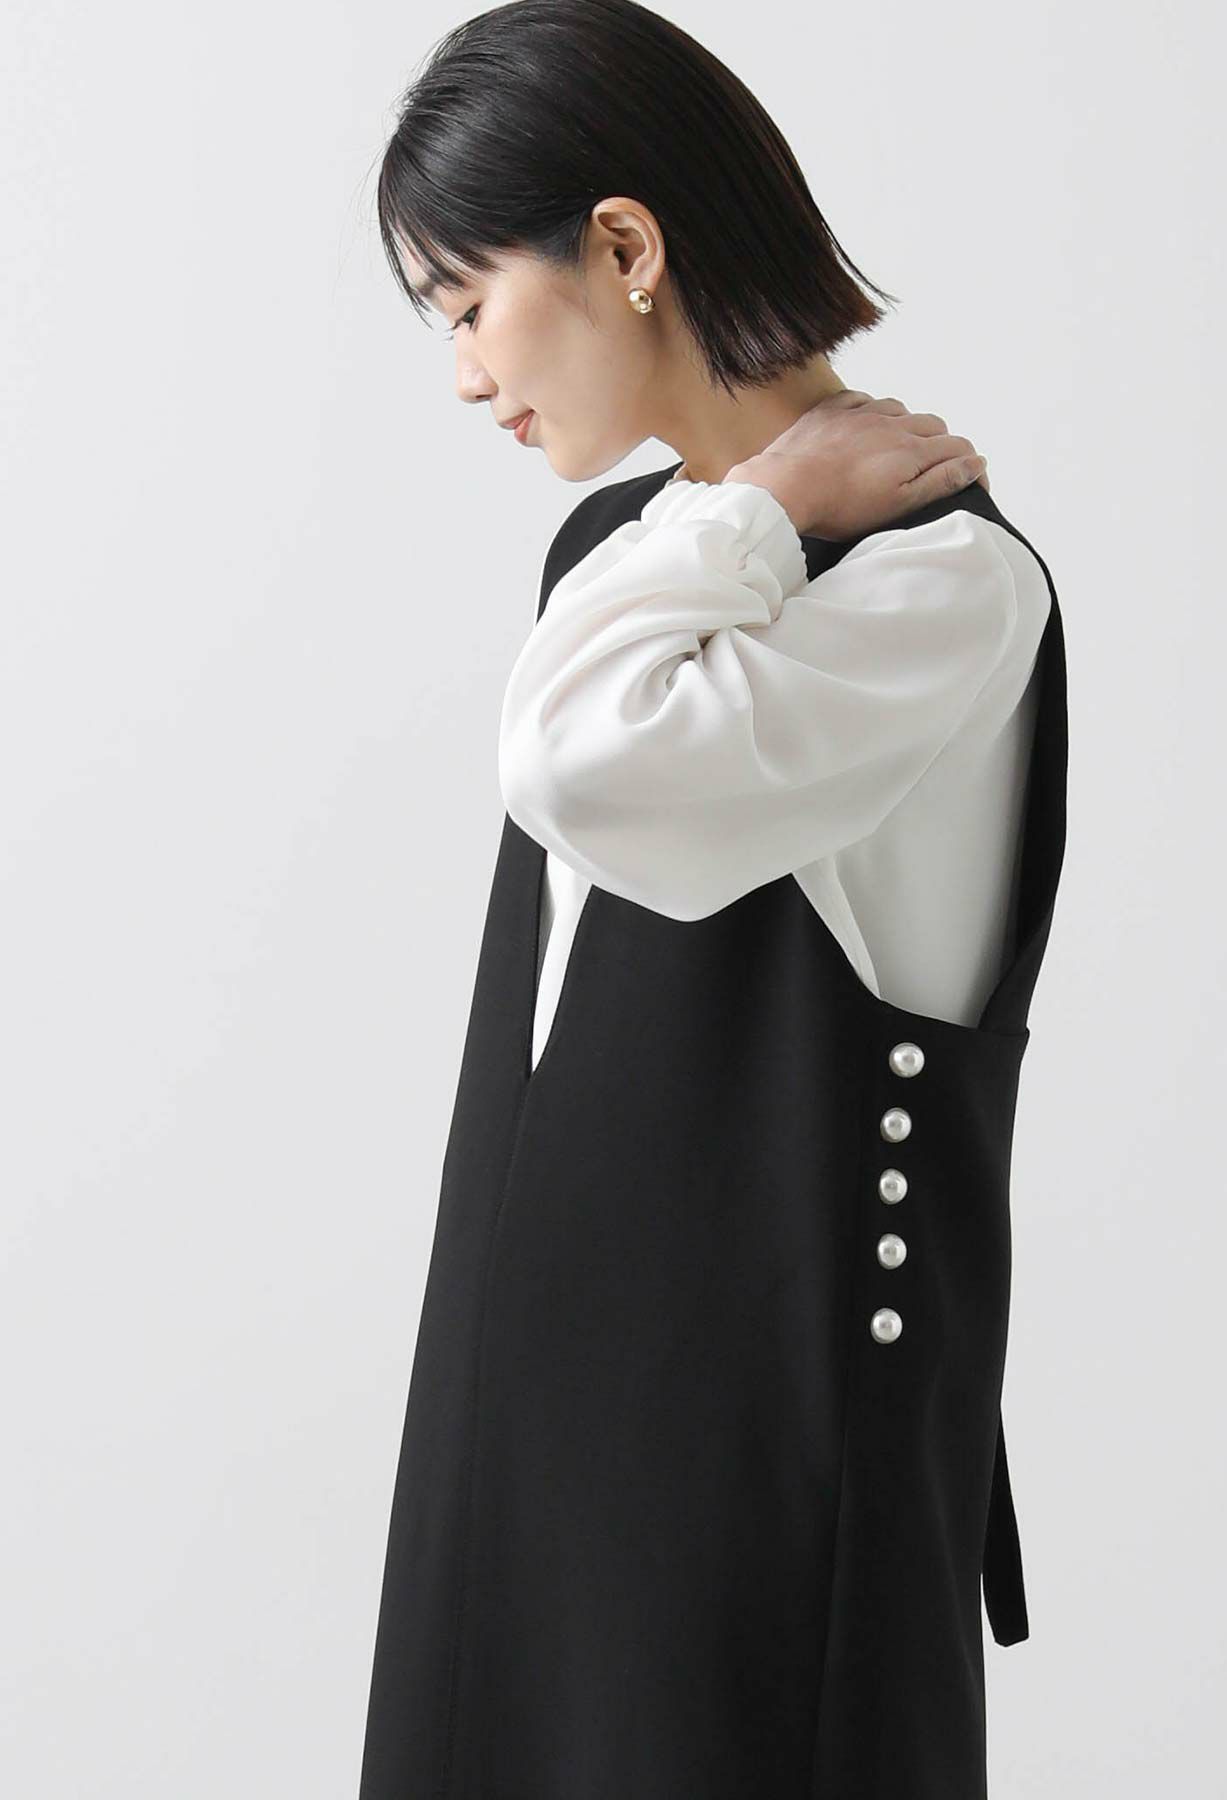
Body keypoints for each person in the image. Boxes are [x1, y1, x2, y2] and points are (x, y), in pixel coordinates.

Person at [358, 3, 1070, 1796]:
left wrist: (761, 518)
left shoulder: (938, 587)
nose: (465, 376)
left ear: (624, 246)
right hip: (525, 1445)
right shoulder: (632, 553)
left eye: (467, 305)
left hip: (754, 1482)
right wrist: (750, 508)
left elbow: (581, 765)